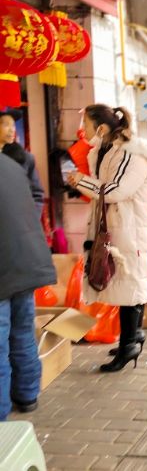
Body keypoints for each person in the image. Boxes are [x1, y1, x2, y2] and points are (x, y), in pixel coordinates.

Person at [66, 105, 147, 372]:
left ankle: (129, 344)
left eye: (87, 123)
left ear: (102, 128)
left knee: (130, 285)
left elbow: (116, 190)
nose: (83, 130)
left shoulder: (132, 155)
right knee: (128, 283)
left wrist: (81, 181)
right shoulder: (106, 152)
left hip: (133, 231)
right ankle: (134, 336)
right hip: (123, 229)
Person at [0, 153, 56, 420]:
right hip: (27, 261)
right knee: (22, 331)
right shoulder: (10, 164)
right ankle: (27, 395)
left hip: (4, 268)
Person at [0, 109, 44, 219]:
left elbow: (36, 194)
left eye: (13, 125)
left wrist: (31, 220)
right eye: (6, 125)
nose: (12, 130)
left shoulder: (24, 158)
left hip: (16, 224)